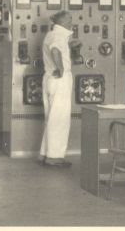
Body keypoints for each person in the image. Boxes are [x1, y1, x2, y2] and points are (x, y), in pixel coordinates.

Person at [39, 10, 77, 167]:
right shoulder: (59, 35)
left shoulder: (52, 34)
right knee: (60, 119)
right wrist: (61, 69)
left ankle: (45, 153)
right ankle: (54, 157)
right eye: (69, 19)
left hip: (49, 78)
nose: (71, 22)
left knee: (51, 118)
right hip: (59, 80)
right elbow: (55, 50)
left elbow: (57, 48)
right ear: (61, 22)